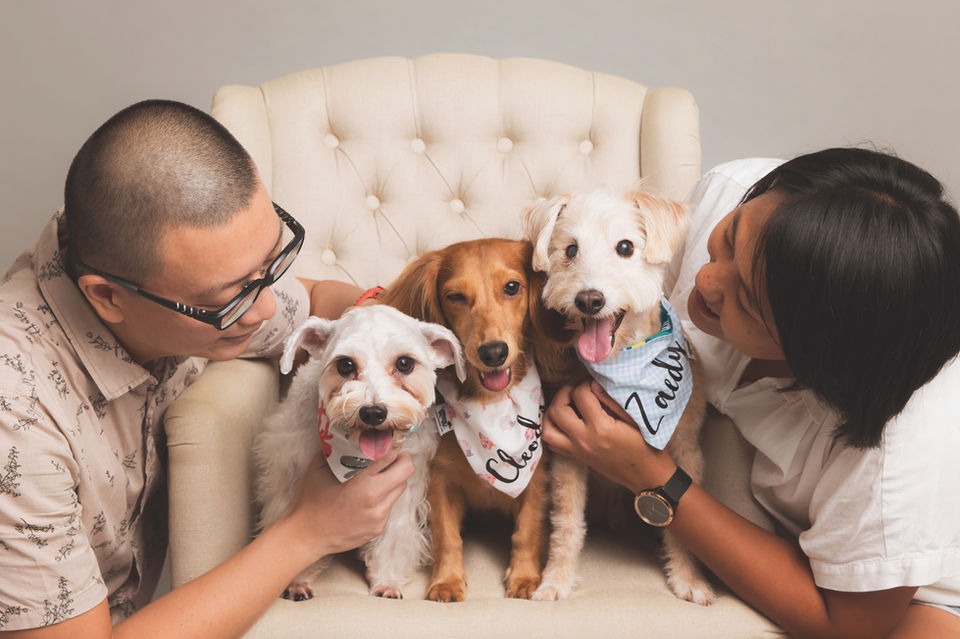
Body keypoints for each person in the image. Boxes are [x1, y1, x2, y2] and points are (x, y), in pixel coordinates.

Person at [0, 100, 413, 638]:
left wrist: (391, 327)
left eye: (270, 265)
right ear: (107, 297)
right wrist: (308, 530)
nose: (267, 309)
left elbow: (313, 300)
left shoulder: (166, 281)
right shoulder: (17, 418)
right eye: (232, 296)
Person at [542, 148, 960, 638]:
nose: (706, 277)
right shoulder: (729, 192)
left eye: (745, 299)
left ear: (814, 352)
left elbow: (847, 624)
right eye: (729, 240)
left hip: (919, 594)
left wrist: (651, 474)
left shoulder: (902, 452)